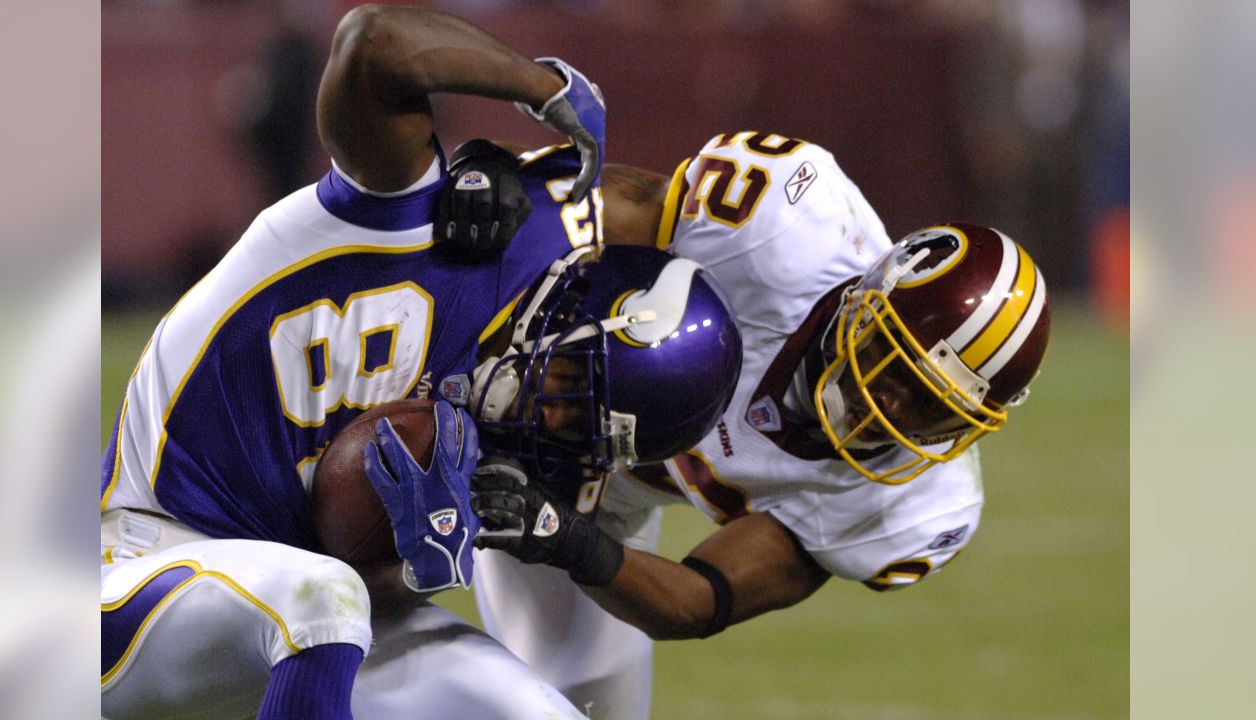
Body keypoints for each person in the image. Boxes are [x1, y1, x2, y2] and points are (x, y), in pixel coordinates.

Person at [100, 6, 741, 719]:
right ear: (572, 314)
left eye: (579, 430)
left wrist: (412, 562)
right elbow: (374, 43)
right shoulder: (434, 224)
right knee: (321, 601)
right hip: (137, 567)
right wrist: (544, 87)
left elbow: (358, 561)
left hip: (288, 628)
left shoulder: (527, 438)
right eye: (569, 388)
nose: (552, 420)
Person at [463, 131, 1052, 720]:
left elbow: (698, 600)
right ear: (865, 300)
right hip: (523, 365)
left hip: (592, 501)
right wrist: (514, 192)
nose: (889, 407)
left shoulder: (917, 506)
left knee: (574, 708)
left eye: (932, 406)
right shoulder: (789, 230)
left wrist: (566, 537)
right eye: (889, 362)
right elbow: (595, 215)